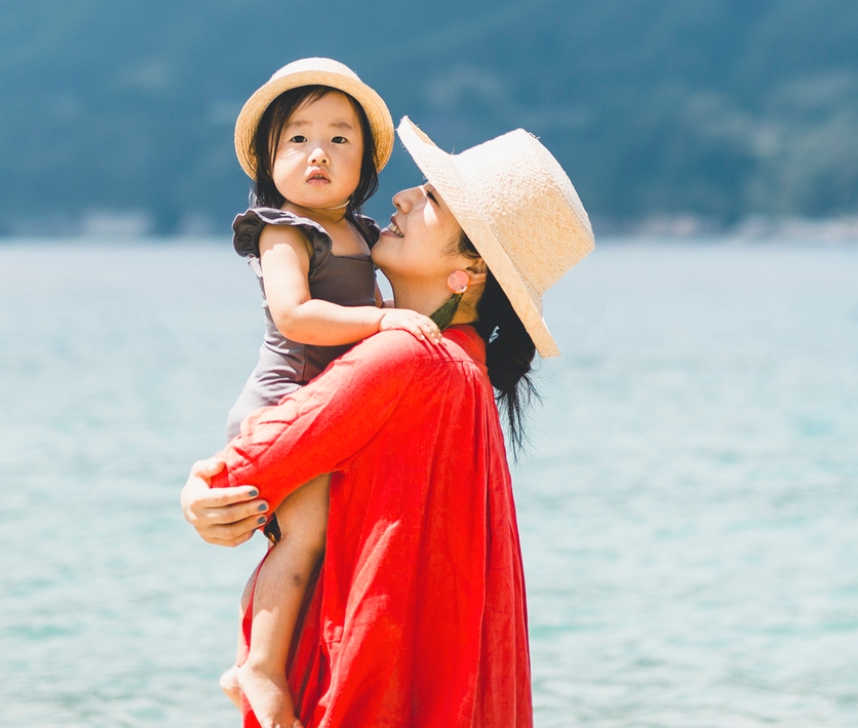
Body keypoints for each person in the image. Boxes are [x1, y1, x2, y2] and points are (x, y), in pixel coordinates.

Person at [182, 118, 594, 728]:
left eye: (432, 198)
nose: (402, 195)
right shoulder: (465, 369)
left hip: (361, 698)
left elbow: (240, 476)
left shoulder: (406, 357)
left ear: (470, 271)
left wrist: (197, 492)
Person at [220, 58, 445, 726]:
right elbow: (294, 316)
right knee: (304, 539)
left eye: (339, 138)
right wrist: (384, 320)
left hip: (329, 407)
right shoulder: (286, 229)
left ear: (363, 167)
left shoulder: (366, 235)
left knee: (318, 544)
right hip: (283, 401)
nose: (318, 151)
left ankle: (289, 663)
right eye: (298, 138)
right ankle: (257, 667)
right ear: (268, 158)